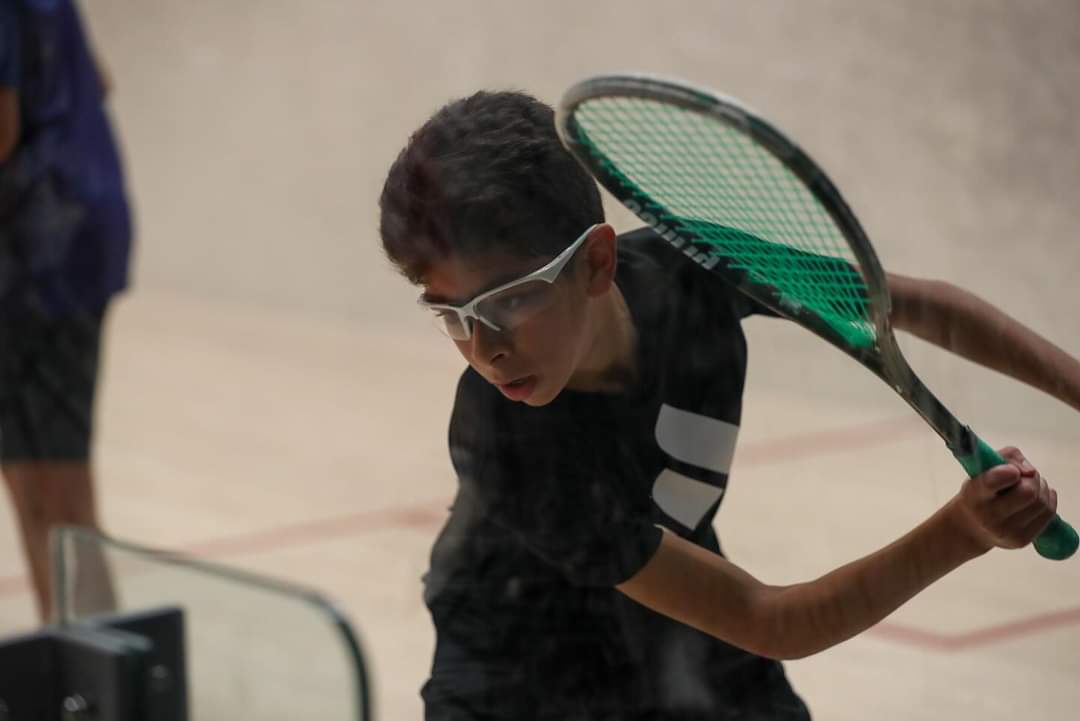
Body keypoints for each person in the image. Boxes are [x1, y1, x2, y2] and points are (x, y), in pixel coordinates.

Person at [378, 90, 1078, 720]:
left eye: (508, 302)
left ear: (596, 261)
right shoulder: (501, 438)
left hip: (681, 628)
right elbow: (769, 619)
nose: (484, 348)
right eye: (451, 315)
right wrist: (964, 530)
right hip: (517, 678)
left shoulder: (693, 268)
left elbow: (919, 306)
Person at [0, 0, 132, 621]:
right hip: (69, 227)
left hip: (43, 248)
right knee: (39, 476)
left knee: (50, 486)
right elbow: (97, 78)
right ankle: (77, 648)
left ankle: (96, 662)